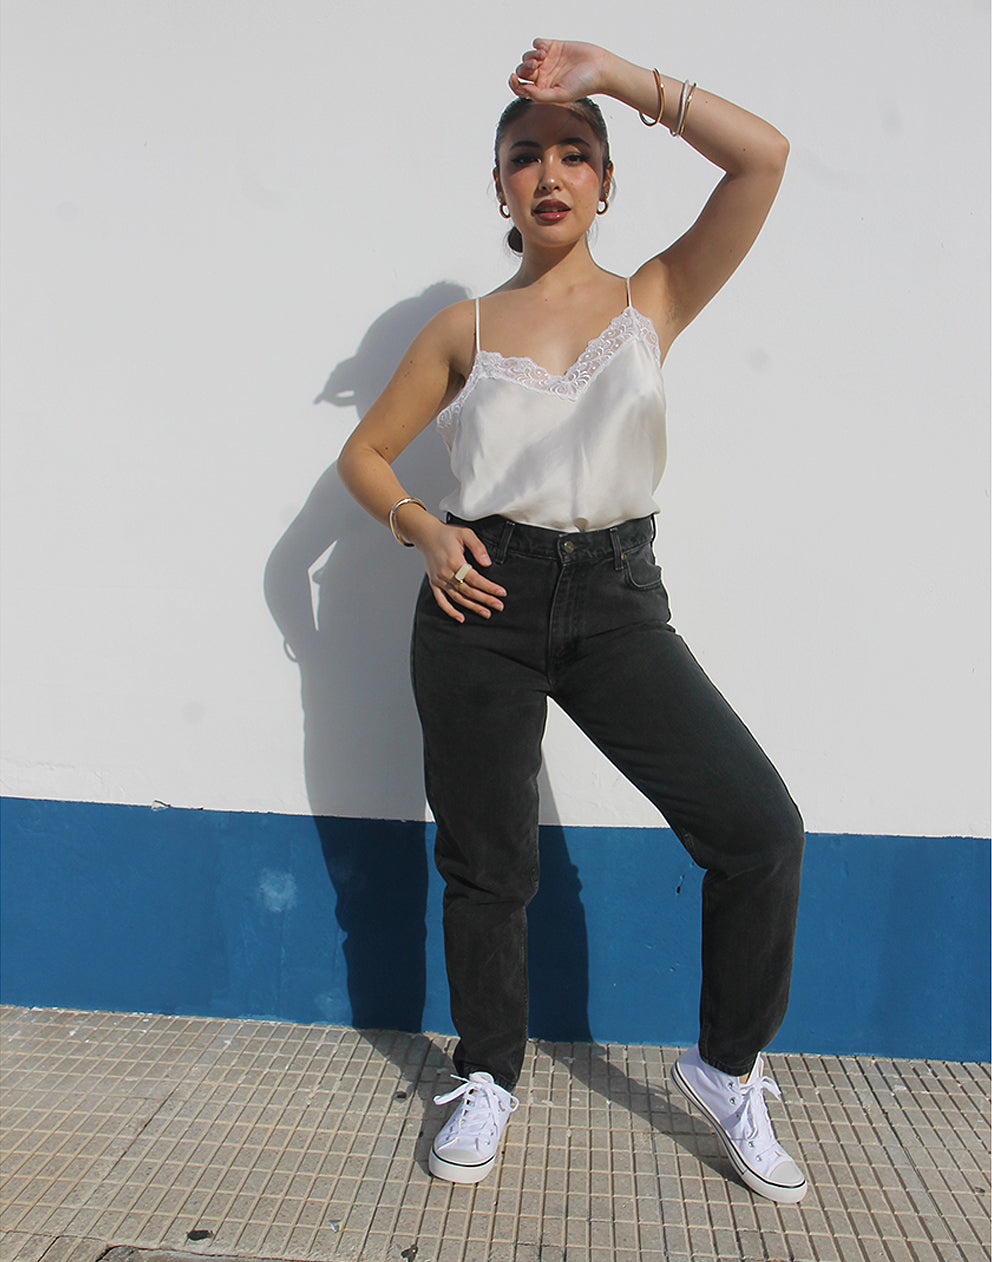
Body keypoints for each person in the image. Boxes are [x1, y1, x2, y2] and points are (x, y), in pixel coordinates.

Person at [337, 38, 807, 1204]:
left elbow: (762, 160)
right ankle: (487, 1072)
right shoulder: (464, 328)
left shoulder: (653, 298)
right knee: (487, 864)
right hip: (480, 601)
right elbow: (363, 452)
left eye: (572, 153)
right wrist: (422, 528)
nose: (548, 172)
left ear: (605, 179)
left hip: (615, 602)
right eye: (523, 157)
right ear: (496, 188)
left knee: (757, 826)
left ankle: (723, 1067)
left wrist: (611, 76)